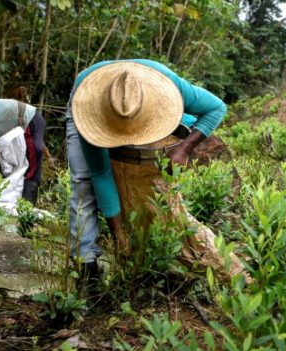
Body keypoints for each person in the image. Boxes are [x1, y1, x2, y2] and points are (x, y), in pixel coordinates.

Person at [66, 59, 246, 288]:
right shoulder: (87, 110)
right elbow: (101, 174)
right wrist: (119, 234)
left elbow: (216, 108)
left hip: (150, 98)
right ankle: (85, 263)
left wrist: (184, 149)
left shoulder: (169, 86)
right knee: (83, 181)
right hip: (87, 101)